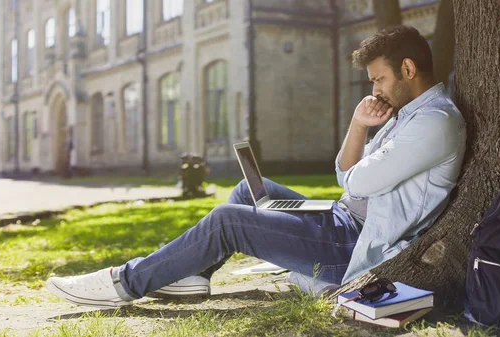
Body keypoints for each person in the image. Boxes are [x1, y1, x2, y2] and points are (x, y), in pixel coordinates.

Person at [46, 25, 466, 308]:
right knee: (251, 190)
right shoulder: (405, 114)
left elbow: (357, 180)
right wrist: (358, 125)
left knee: (228, 220)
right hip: (344, 219)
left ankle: (125, 282)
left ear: (407, 70)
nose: (374, 89)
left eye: (378, 79)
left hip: (352, 244)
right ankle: (196, 276)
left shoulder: (434, 123)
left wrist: (358, 165)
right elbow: (346, 176)